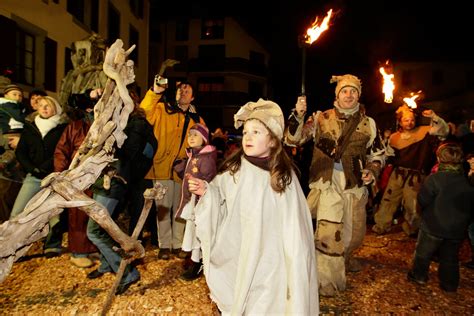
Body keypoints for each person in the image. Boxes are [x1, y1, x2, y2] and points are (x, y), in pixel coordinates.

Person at [188, 99, 318, 315]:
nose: (248, 137)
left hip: (273, 258)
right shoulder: (235, 170)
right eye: (246, 132)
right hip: (243, 250)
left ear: (273, 141)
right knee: (245, 293)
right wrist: (206, 191)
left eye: (257, 132)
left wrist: (294, 261)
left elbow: (296, 228)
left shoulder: (284, 178)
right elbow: (219, 194)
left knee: (267, 299)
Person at [285, 74, 385, 296]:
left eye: (353, 91)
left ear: (359, 95)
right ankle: (326, 281)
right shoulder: (321, 118)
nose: (348, 95)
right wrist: (298, 115)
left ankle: (345, 258)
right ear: (336, 94)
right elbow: (293, 139)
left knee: (353, 236)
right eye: (344, 91)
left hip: (354, 186)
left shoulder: (369, 123)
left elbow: (377, 153)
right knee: (329, 236)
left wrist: (373, 170)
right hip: (327, 183)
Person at [85, 96, 155, 295]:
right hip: (107, 181)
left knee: (95, 231)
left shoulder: (136, 124)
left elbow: (128, 155)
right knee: (104, 228)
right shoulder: (121, 122)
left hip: (114, 182)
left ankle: (127, 274)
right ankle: (107, 265)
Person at [139, 77, 205, 260]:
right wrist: (155, 91)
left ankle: (178, 244)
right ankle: (164, 245)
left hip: (184, 171)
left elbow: (203, 143)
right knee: (163, 208)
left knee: (180, 209)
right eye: (180, 89)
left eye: (187, 90)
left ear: (192, 98)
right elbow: (144, 110)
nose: (183, 92)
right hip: (161, 165)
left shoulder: (197, 119)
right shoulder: (162, 109)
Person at [372, 104, 449, 236]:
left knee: (412, 203)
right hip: (398, 174)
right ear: (400, 122)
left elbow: (444, 131)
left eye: (412, 119)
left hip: (416, 175)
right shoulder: (394, 137)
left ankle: (413, 228)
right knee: (388, 199)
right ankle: (381, 225)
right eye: (406, 120)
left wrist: (434, 116)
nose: (409, 122)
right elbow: (389, 155)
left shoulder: (424, 131)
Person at [407, 142, 474, 292]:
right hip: (456, 229)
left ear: (439, 158)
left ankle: (418, 276)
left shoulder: (435, 179)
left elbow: (423, 200)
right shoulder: (467, 180)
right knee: (450, 258)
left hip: (433, 226)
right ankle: (449, 284)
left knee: (423, 253)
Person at [9, 96, 68, 257]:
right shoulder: (30, 127)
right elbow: (21, 151)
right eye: (41, 106)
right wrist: (32, 168)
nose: (44, 108)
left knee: (53, 214)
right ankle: (13, 248)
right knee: (18, 213)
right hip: (33, 176)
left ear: (55, 108)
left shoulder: (62, 128)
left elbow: (61, 150)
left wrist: (45, 168)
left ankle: (52, 246)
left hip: (54, 176)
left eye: (48, 105)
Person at [53, 89, 99, 268]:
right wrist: (61, 174)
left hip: (98, 176)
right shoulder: (75, 126)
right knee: (77, 215)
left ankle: (92, 246)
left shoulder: (103, 125)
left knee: (95, 212)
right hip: (77, 176)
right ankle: (78, 251)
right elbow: (61, 151)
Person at [174, 123, 217, 281]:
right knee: (193, 232)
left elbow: (208, 180)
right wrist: (181, 169)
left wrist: (200, 197)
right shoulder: (194, 156)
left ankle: (199, 262)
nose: (191, 137)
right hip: (193, 200)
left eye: (195, 135)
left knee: (199, 233)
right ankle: (195, 260)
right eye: (190, 134)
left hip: (199, 202)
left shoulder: (205, 158)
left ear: (204, 139)